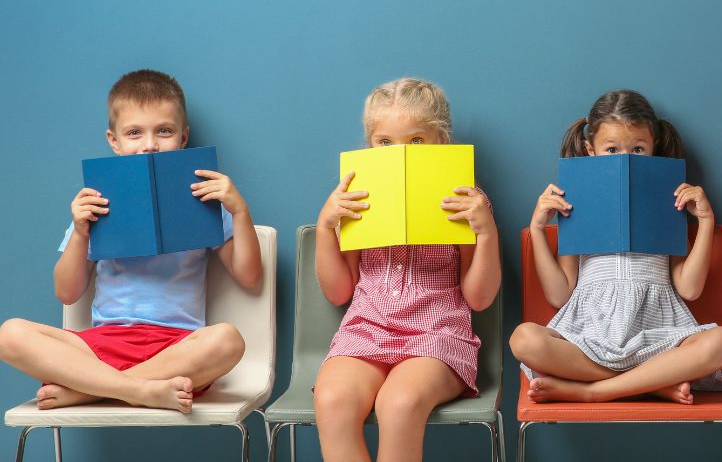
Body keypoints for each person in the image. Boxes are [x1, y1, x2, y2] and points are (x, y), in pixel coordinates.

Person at [0, 69, 261, 413]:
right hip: (101, 346)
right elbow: (67, 292)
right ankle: (139, 390)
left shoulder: (206, 200)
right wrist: (81, 232)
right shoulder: (96, 203)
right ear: (114, 141)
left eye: (163, 131)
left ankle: (92, 392)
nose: (149, 144)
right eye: (134, 133)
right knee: (10, 333)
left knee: (228, 340)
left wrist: (240, 211)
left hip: (175, 349)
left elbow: (249, 276)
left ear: (183, 138)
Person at [509, 89, 722, 404]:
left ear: (654, 147)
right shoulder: (575, 201)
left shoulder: (667, 199)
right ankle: (653, 384)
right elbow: (559, 294)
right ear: (591, 150)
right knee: (524, 339)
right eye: (612, 148)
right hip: (591, 332)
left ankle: (593, 391)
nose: (626, 158)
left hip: (657, 334)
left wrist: (706, 220)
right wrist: (537, 228)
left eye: (639, 149)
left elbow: (689, 288)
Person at [313, 78, 500, 462]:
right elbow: (338, 292)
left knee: (397, 404)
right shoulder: (355, 197)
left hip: (438, 336)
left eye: (416, 141)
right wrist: (325, 227)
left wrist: (484, 232)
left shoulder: (465, 200)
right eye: (385, 142)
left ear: (441, 143)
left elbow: (479, 298)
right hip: (366, 331)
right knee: (331, 399)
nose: (400, 152)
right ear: (370, 146)